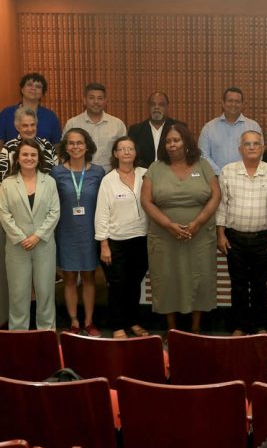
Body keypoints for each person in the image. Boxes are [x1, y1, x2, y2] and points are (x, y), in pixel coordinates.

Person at [141, 123, 221, 332]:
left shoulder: (203, 165)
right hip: (164, 236)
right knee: (167, 279)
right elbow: (146, 201)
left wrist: (197, 223)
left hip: (200, 235)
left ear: (186, 142)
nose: (172, 145)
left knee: (200, 278)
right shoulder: (155, 168)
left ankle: (195, 330)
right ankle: (171, 330)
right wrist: (169, 225)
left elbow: (216, 196)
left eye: (176, 140)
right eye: (168, 141)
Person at [216, 130, 267, 336]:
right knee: (238, 285)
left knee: (260, 284)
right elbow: (222, 206)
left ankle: (260, 326)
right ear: (240, 149)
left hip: (263, 239)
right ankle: (239, 327)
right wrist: (220, 234)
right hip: (234, 239)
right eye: (247, 144)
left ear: (263, 148)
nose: (252, 147)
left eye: (256, 144)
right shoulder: (228, 171)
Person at [0, 139, 60, 330]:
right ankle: (18, 339)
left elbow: (55, 212)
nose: (29, 158)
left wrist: (37, 236)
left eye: (33, 155)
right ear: (17, 159)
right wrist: (20, 237)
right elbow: (4, 214)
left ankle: (46, 336)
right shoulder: (7, 184)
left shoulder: (49, 182)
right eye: (25, 154)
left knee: (46, 293)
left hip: (43, 246)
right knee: (18, 295)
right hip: (17, 247)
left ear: (39, 158)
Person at [51, 128, 105, 336]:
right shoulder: (56, 173)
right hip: (66, 232)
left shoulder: (98, 172)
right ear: (65, 147)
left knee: (90, 278)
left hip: (90, 233)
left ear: (87, 146)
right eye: (71, 143)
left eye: (79, 143)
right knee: (70, 279)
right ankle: (74, 321)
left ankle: (89, 321)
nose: (75, 147)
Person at [94, 136, 149, 338]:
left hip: (141, 239)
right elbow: (102, 213)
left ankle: (133, 322)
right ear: (115, 154)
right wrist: (104, 244)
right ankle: (117, 326)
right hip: (116, 242)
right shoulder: (108, 180)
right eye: (122, 149)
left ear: (135, 153)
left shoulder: (146, 175)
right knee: (117, 285)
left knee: (135, 284)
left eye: (130, 148)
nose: (126, 152)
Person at [63, 82, 127, 172]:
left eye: (100, 98)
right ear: (85, 100)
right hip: (81, 176)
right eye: (91, 98)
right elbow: (64, 152)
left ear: (105, 101)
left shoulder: (117, 124)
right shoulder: (73, 123)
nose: (96, 102)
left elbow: (124, 153)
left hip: (110, 175)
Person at [198, 86, 262, 175]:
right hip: (215, 178)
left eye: (237, 102)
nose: (233, 104)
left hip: (246, 179)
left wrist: (244, 173)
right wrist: (221, 174)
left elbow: (258, 154)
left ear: (243, 104)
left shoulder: (253, 127)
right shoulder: (208, 128)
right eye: (230, 101)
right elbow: (203, 156)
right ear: (223, 103)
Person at [0, 72, 62, 147]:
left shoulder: (50, 117)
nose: (33, 88)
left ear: (42, 93)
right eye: (29, 85)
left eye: (38, 86)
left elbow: (57, 146)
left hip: (43, 158)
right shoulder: (7, 114)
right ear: (22, 89)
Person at [128, 92, 183, 168]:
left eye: (161, 104)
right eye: (153, 104)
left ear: (167, 107)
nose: (156, 107)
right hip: (143, 174)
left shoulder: (179, 128)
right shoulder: (135, 130)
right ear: (148, 107)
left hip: (172, 173)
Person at [0, 107, 57, 181]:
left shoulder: (47, 146)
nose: (30, 129)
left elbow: (56, 174)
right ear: (17, 127)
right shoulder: (8, 148)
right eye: (25, 126)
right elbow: (2, 178)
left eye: (32, 125)